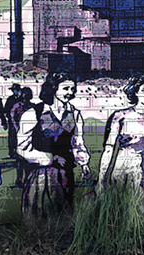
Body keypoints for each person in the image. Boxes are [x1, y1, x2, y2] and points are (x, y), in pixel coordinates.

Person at [16, 72, 91, 220]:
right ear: (53, 88)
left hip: (64, 173)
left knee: (63, 216)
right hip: (41, 174)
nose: (70, 93)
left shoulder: (74, 114)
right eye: (65, 88)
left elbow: (78, 142)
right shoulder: (33, 113)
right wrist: (47, 159)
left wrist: (83, 163)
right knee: (40, 216)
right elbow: (22, 146)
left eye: (72, 89)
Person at [98, 75, 144, 208]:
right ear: (135, 91)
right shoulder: (120, 116)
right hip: (123, 166)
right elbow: (109, 148)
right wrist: (102, 179)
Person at [9, 87, 34, 188]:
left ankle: (26, 179)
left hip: (29, 135)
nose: (26, 97)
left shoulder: (32, 106)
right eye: (25, 95)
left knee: (27, 159)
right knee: (20, 159)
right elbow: (12, 118)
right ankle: (19, 180)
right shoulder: (17, 106)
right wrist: (18, 129)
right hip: (19, 134)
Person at [4, 84, 23, 160]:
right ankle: (12, 153)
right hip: (11, 122)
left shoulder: (22, 98)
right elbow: (6, 110)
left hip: (20, 120)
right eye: (13, 90)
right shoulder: (10, 99)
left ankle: (19, 152)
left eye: (16, 90)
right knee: (12, 137)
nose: (14, 91)